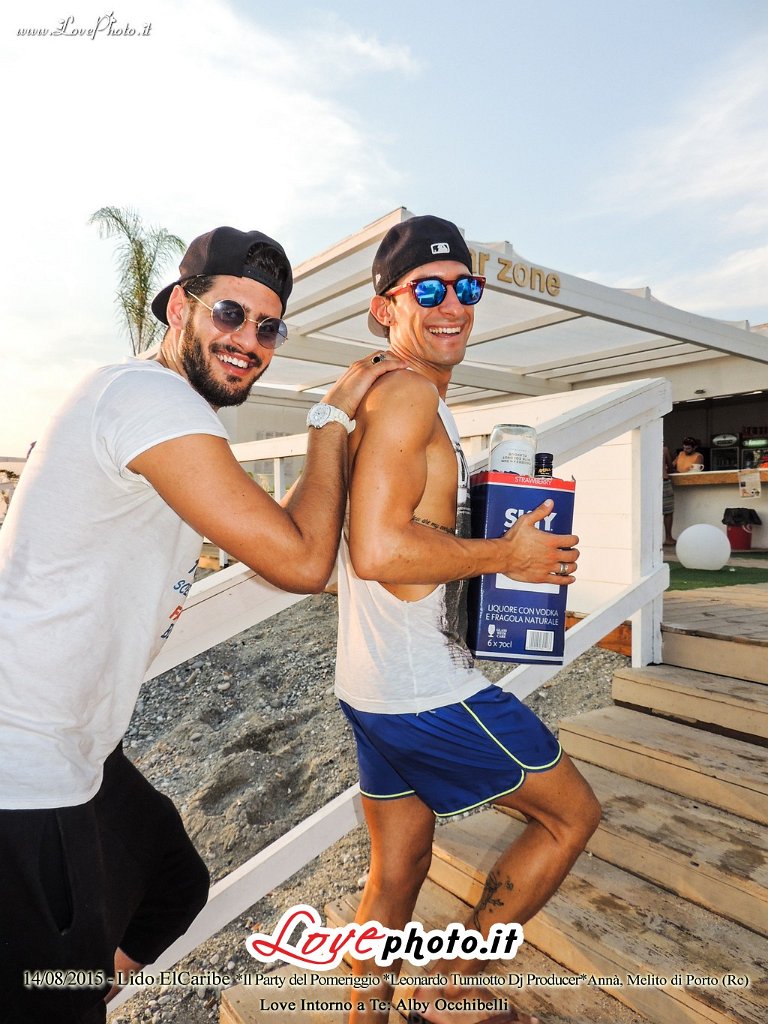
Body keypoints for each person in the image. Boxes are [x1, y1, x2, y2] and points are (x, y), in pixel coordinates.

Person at [0, 226, 402, 1024]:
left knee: (173, 883)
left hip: (79, 746)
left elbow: (284, 535)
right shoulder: (147, 398)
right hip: (22, 759)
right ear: (179, 308)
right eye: (230, 313)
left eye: (268, 327)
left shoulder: (160, 412)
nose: (249, 340)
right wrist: (330, 422)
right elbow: (301, 561)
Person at [335, 216, 601, 1024]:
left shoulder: (388, 396)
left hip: (371, 682)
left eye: (465, 287)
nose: (452, 305)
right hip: (423, 689)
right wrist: (505, 556)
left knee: (397, 872)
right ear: (385, 308)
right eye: (428, 290)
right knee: (570, 816)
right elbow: (379, 549)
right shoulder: (409, 394)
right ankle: (450, 986)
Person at [663, 444, 675, 545]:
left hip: (648, 482)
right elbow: (671, 467)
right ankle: (668, 538)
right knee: (668, 512)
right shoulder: (663, 449)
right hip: (663, 482)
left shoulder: (642, 447)